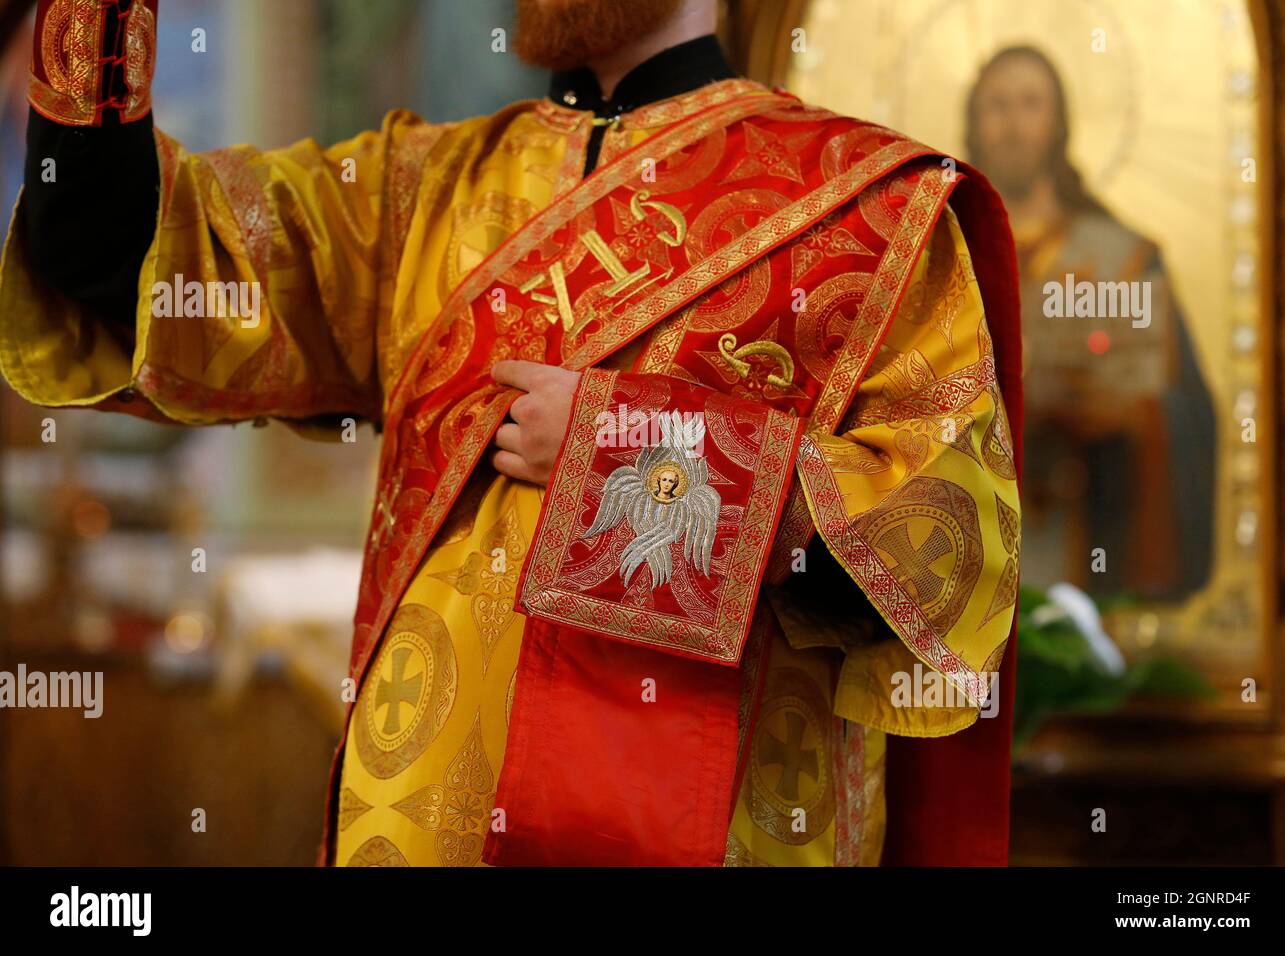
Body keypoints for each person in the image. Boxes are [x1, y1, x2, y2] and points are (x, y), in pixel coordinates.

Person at [2, 0, 1023, 866]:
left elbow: (946, 558)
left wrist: (631, 454)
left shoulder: (869, 208)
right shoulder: (417, 190)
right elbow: (115, 258)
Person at [966, 45, 1216, 600]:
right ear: (974, 123)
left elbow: (1192, 415)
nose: (1013, 124)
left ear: (1058, 122)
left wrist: (1135, 418)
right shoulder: (945, 256)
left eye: (1031, 103)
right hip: (966, 547)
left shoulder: (1123, 258)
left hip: (1088, 535)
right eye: (997, 105)